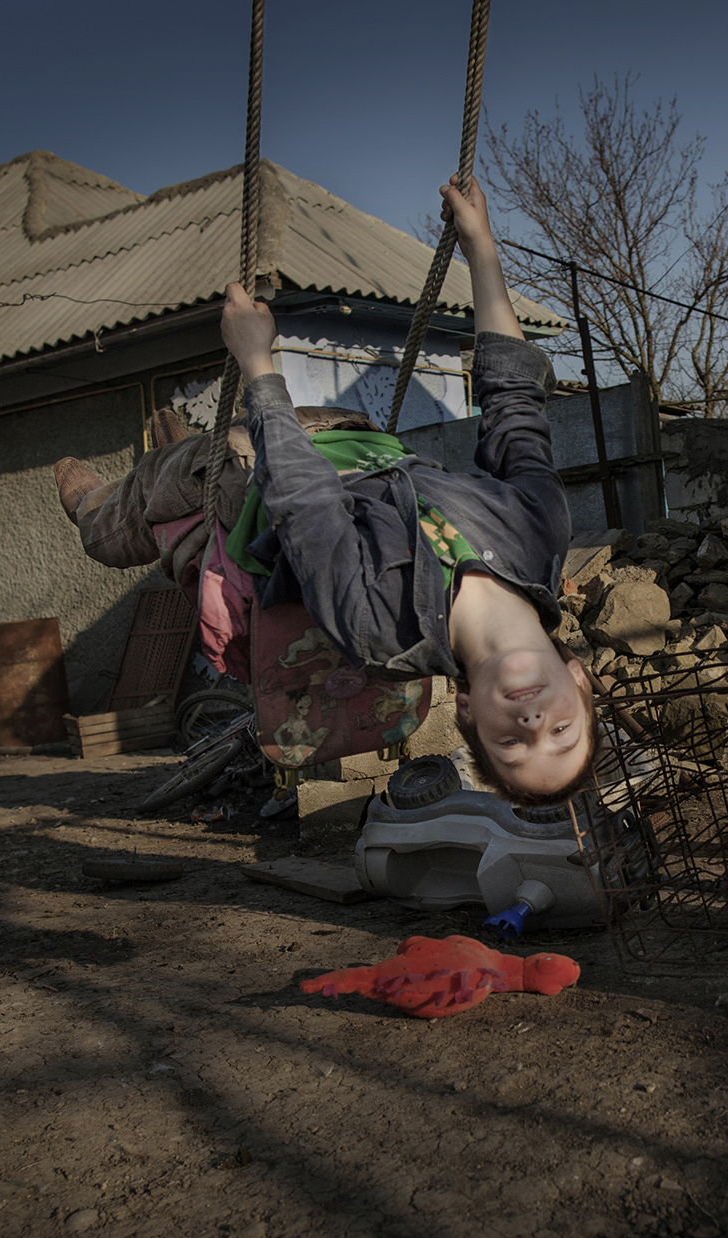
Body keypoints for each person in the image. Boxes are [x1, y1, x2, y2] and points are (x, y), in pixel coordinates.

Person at [57, 175, 596, 803]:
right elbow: (515, 400)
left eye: (512, 746)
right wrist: (480, 248)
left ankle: (98, 512)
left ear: (472, 717)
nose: (533, 726)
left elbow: (306, 505)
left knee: (160, 486)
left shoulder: (382, 629)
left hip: (257, 476)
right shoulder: (538, 536)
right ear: (580, 683)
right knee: (190, 451)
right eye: (562, 729)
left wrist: (258, 363)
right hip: (351, 438)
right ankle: (177, 448)